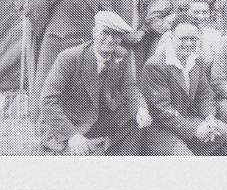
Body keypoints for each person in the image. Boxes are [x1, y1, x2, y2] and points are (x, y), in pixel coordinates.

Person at [37, 9, 147, 155]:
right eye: (105, 33)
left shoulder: (120, 55)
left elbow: (130, 88)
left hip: (95, 120)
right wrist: (72, 135)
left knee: (135, 118)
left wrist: (141, 109)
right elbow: (47, 100)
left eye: (116, 35)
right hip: (67, 124)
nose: (110, 39)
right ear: (94, 32)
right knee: (86, 160)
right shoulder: (70, 57)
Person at [141, 14, 227, 153]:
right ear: (171, 38)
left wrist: (209, 118)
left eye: (193, 39)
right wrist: (195, 130)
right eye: (183, 38)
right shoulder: (156, 65)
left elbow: (204, 95)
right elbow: (162, 110)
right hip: (160, 127)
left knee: (222, 131)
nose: (189, 43)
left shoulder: (196, 60)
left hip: (186, 119)